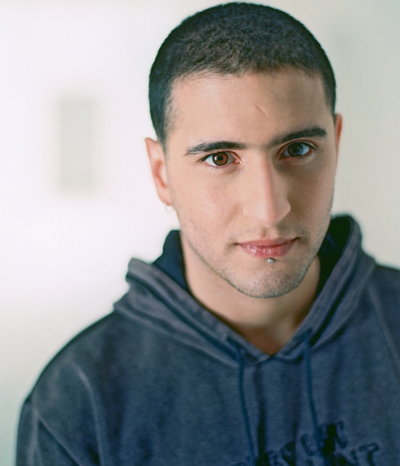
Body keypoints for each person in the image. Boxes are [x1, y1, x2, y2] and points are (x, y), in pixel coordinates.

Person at [17, 3, 400, 465]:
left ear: (335, 145)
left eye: (297, 149)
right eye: (220, 158)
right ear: (161, 174)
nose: (270, 209)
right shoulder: (78, 404)